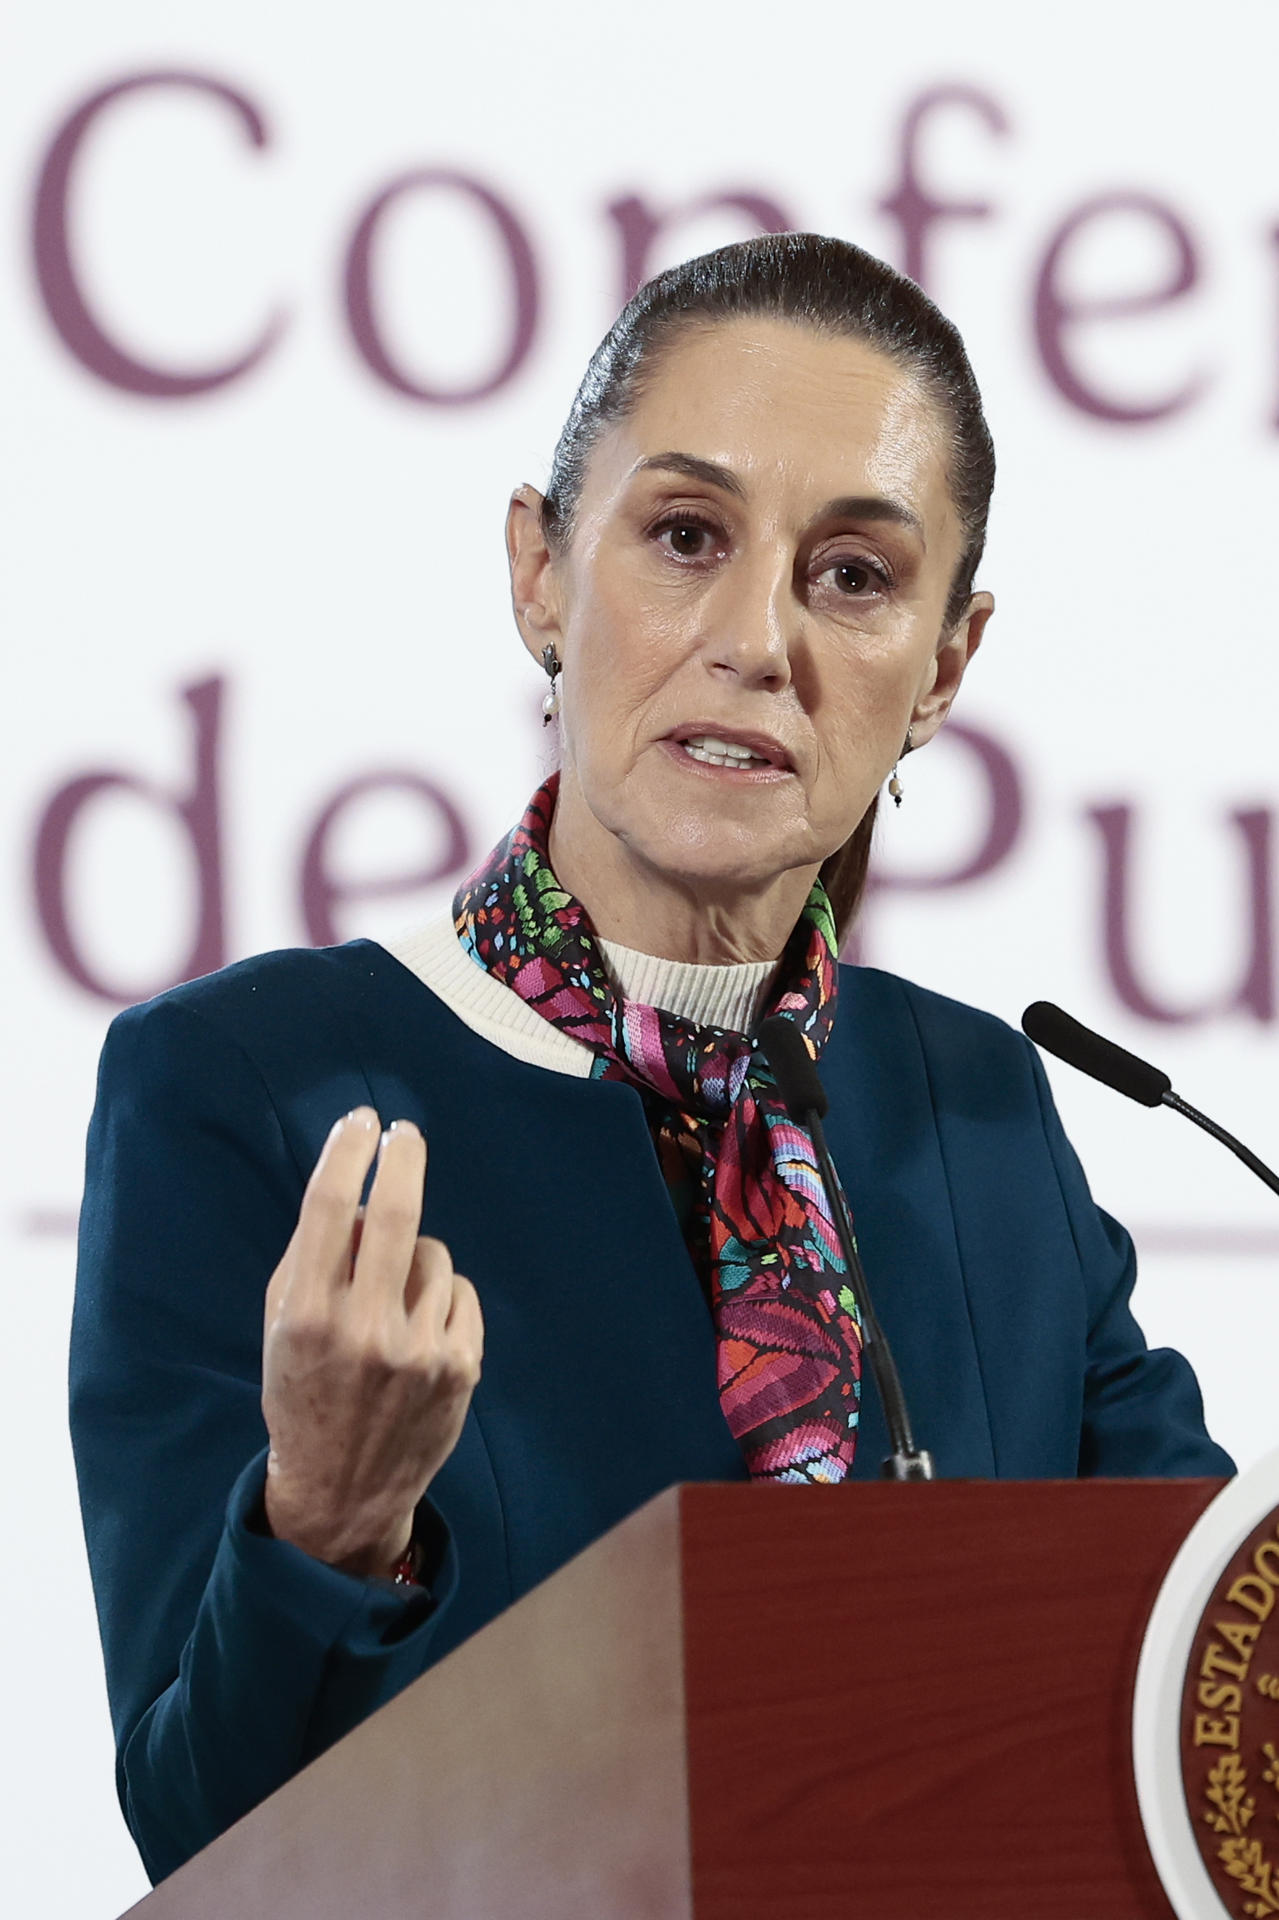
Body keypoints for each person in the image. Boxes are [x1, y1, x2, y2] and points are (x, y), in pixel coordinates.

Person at [70, 232, 1233, 1885]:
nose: (760, 639)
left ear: (946, 669)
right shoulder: (251, 1087)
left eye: (854, 576)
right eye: (686, 537)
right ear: (542, 574)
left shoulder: (982, 1115)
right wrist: (324, 1526)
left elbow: (1201, 1681)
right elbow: (203, 1839)